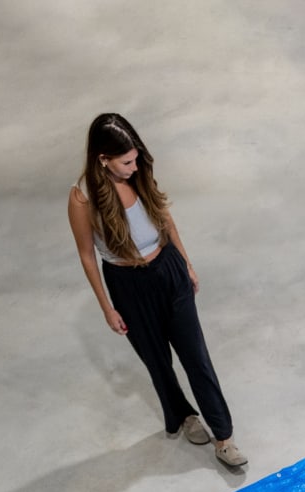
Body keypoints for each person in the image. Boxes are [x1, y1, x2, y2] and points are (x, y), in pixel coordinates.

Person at [68, 113, 247, 469]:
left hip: (167, 270)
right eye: (126, 162)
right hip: (128, 285)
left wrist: (186, 263)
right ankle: (184, 416)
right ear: (103, 159)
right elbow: (87, 256)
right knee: (157, 361)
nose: (134, 167)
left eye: (136, 158)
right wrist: (107, 308)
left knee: (196, 357)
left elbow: (165, 220)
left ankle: (224, 437)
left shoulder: (140, 174)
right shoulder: (83, 199)